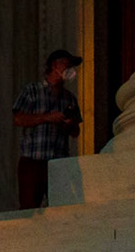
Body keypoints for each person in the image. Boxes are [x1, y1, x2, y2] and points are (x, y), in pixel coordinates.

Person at [12, 50, 83, 210]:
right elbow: (18, 119)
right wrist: (47, 117)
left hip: (58, 161)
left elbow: (76, 132)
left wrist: (68, 124)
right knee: (29, 208)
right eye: (67, 64)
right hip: (33, 159)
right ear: (54, 65)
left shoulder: (69, 98)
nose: (70, 68)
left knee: (60, 207)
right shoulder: (32, 91)